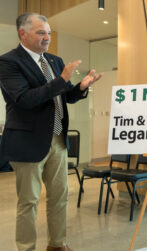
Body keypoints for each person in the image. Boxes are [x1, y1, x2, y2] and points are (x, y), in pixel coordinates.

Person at [0, 13, 102, 251]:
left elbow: (65, 95)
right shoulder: (8, 62)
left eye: (48, 32)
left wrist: (80, 87)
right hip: (27, 142)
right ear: (22, 33)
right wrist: (63, 79)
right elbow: (24, 99)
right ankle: (26, 248)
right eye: (40, 32)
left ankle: (57, 244)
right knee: (29, 201)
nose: (47, 37)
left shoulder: (55, 61)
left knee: (59, 197)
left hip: (57, 140)